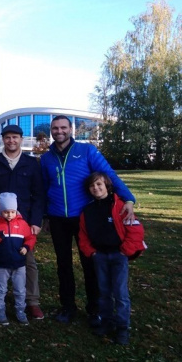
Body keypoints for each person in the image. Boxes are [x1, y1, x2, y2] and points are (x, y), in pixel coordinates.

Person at [40, 115, 136, 324]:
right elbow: (45, 188)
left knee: (90, 263)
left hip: (85, 218)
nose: (59, 131)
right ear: (52, 131)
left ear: (71, 129)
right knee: (63, 264)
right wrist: (45, 216)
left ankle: (95, 308)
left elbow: (109, 174)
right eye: (55, 128)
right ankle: (68, 307)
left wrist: (127, 197)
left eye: (63, 127)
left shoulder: (86, 151)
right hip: (57, 218)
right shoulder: (46, 158)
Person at [0, 124, 45, 319]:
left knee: (28, 262)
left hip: (22, 223)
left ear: (21, 139)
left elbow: (38, 194)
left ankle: (32, 301)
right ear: (3, 140)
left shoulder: (31, 163)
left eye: (15, 137)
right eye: (7, 137)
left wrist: (36, 221)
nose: (11, 141)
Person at [78, 172, 146, 345]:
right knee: (104, 292)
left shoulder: (120, 206)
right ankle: (107, 322)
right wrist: (91, 252)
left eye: (99, 184)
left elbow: (136, 230)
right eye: (92, 186)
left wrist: (125, 251)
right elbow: (83, 235)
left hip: (118, 255)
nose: (96, 188)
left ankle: (123, 327)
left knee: (120, 293)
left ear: (107, 186)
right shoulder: (88, 210)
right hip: (99, 256)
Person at [0, 193, 36, 326]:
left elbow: (30, 237)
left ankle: (20, 311)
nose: (9, 215)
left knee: (20, 289)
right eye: (6, 212)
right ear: (1, 211)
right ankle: (0, 311)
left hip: (19, 264)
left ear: (16, 210)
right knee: (0, 289)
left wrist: (26, 247)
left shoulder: (22, 224)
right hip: (2, 264)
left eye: (12, 212)